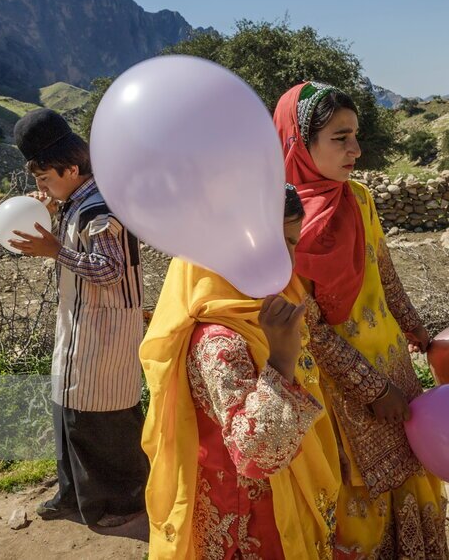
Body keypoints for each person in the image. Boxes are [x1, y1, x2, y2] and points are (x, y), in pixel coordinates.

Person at [274, 83, 449, 559]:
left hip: (392, 364)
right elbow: (306, 324)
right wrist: (372, 390)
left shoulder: (360, 198)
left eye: (356, 135)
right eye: (339, 137)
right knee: (356, 491)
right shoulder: (282, 221)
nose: (355, 149)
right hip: (339, 389)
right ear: (297, 143)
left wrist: (419, 332)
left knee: (409, 474)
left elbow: (383, 274)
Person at [140, 185, 341, 559]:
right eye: (270, 241)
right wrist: (281, 359)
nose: (284, 258)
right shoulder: (218, 339)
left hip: (281, 501)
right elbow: (255, 456)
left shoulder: (271, 307)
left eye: (292, 243)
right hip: (249, 521)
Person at [10, 108, 149, 528]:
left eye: (46, 179)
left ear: (72, 168)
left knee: (102, 422)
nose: (44, 189)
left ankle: (121, 505)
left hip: (102, 335)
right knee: (70, 413)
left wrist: (55, 250)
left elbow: (108, 270)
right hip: (82, 330)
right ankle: (72, 495)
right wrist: (50, 205)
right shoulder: (80, 200)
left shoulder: (99, 210)